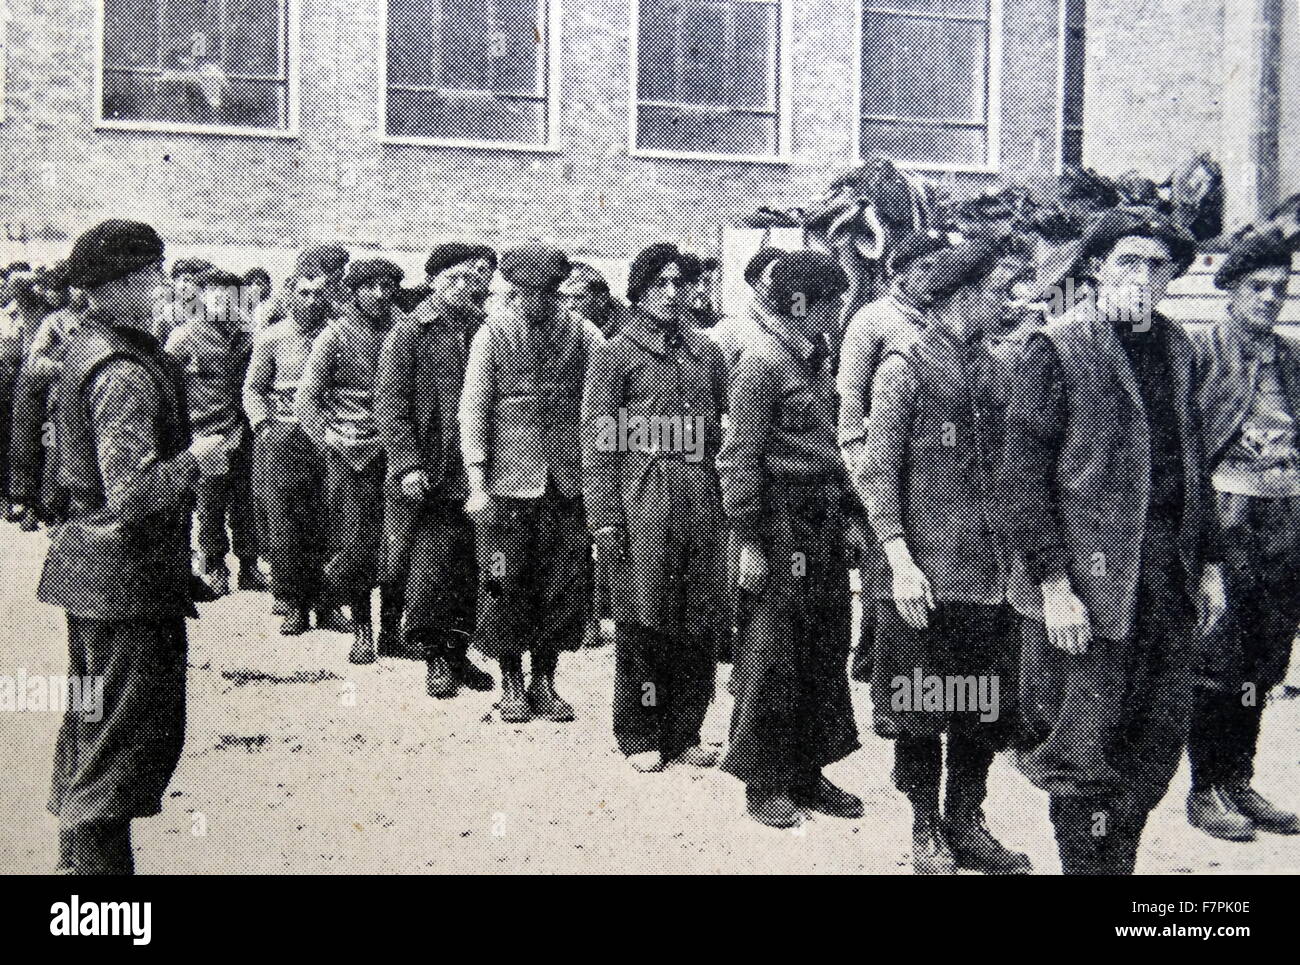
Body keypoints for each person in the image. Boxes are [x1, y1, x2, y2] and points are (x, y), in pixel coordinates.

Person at [1003, 208, 1228, 875]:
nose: (1143, 276)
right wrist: (1054, 585)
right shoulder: (1058, 347)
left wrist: (1210, 563)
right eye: (1128, 260)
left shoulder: (1179, 348)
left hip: (1164, 577)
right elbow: (1023, 478)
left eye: (1158, 265)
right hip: (1088, 584)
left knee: (1152, 747)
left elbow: (1194, 462)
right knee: (1081, 751)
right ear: (1096, 266)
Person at [38, 220, 229, 874]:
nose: (161, 284)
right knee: (123, 741)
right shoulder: (121, 369)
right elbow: (131, 492)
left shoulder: (93, 346)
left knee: (93, 728)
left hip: (98, 572)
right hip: (124, 578)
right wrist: (196, 461)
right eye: (151, 273)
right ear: (116, 285)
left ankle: (74, 868)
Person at [857, 239, 1033, 874]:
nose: (1015, 302)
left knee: (980, 702)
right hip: (925, 572)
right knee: (922, 702)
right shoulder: (905, 364)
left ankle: (966, 820)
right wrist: (899, 559)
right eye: (1003, 290)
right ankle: (925, 829)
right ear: (964, 294)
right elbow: (877, 470)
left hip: (992, 573)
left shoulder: (1005, 366)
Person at [716, 250, 863, 828]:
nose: (838, 310)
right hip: (776, 521)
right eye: (829, 301)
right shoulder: (761, 359)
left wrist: (851, 519)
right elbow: (739, 456)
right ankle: (764, 777)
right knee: (773, 650)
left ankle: (808, 768)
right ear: (798, 302)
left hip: (821, 520)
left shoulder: (820, 357)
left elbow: (842, 442)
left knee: (824, 642)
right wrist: (748, 541)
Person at [582, 243, 728, 772]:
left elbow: (720, 433)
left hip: (699, 493)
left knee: (698, 617)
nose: (670, 295)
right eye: (658, 284)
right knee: (644, 617)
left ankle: (685, 730)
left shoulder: (706, 353)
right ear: (639, 290)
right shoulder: (616, 351)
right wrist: (604, 520)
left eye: (679, 284)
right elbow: (598, 442)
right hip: (641, 495)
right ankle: (640, 730)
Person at [1183, 228, 1300, 841]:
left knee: (1265, 657)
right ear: (1228, 289)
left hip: (1285, 518)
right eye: (1257, 288)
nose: (1270, 300)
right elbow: (1183, 449)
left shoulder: (1290, 358)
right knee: (1220, 655)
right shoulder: (1202, 350)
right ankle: (1204, 789)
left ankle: (1239, 778)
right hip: (1226, 517)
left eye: (1279, 290)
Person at [459, 243, 594, 722]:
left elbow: (602, 389)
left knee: (562, 585)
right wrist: (477, 480)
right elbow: (473, 411)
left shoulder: (579, 331)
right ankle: (511, 682)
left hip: (566, 484)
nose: (538, 302)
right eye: (526, 292)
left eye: (548, 293)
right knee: (503, 582)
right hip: (506, 487)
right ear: (512, 290)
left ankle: (545, 681)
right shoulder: (491, 335)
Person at [376, 243, 497, 696]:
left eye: (471, 279)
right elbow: (392, 406)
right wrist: (407, 465)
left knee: (471, 567)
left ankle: (459, 651)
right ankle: (434, 658)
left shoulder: (486, 329)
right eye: (453, 279)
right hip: (430, 473)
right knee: (432, 567)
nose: (464, 287)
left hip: (477, 470)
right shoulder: (409, 332)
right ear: (433, 281)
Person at [297, 259, 405, 665]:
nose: (379, 294)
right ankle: (362, 628)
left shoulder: (405, 329)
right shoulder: (335, 335)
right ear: (355, 291)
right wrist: (328, 437)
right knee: (357, 542)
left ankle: (391, 630)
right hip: (351, 454)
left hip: (397, 452)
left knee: (398, 545)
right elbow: (307, 397)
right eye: (369, 286)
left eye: (386, 285)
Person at [243, 265, 350, 635]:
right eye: (304, 293)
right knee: (285, 521)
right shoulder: (271, 337)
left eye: (319, 293)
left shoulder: (338, 335)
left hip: (328, 436)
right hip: (283, 435)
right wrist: (263, 426)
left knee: (329, 519)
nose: (311, 301)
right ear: (290, 294)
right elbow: (253, 388)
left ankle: (327, 603)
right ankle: (291, 601)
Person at [165, 268, 267, 597]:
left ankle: (248, 566)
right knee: (210, 501)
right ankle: (214, 564)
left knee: (244, 500)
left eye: (230, 293)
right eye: (214, 292)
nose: (222, 299)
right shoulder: (184, 337)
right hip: (205, 433)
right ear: (202, 295)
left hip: (240, 431)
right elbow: (169, 389)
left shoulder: (247, 336)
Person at [560, 261, 624, 650]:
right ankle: (587, 619)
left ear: (600, 297)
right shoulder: (581, 330)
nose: (569, 305)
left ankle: (602, 615)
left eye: (577, 297)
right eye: (564, 297)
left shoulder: (618, 334)